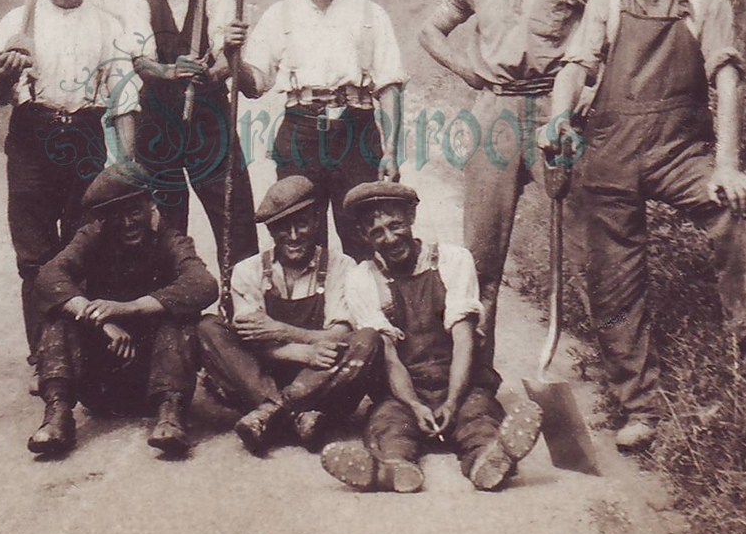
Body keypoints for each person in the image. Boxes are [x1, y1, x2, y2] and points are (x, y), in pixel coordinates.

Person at [540, 0, 746, 452]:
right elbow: (575, 66)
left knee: (737, 209)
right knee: (613, 276)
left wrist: (727, 165)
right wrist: (556, 119)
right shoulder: (605, 1)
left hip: (681, 151)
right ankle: (638, 406)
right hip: (611, 147)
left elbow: (725, 74)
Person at [419, 0, 607, 388]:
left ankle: (617, 376)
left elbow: (616, 10)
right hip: (495, 113)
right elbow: (430, 29)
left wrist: (593, 85)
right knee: (479, 259)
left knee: (593, 245)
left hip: (558, 109)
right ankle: (477, 379)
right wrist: (464, 70)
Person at [0, 0, 142, 382]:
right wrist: (2, 74)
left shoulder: (107, 25)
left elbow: (124, 97)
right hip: (33, 135)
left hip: (85, 137)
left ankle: (80, 352)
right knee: (34, 257)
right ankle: (44, 357)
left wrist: (127, 165)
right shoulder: (18, 21)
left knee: (81, 247)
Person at [319, 182, 542, 493]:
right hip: (404, 390)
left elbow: (464, 338)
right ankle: (392, 467)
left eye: (395, 225)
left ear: (411, 217)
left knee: (478, 418)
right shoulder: (361, 278)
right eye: (377, 232)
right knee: (388, 425)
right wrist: (413, 405)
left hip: (460, 384)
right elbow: (387, 354)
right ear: (363, 237)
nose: (390, 238)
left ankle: (487, 461)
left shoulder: (453, 260)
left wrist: (452, 401)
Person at [229, 0, 406, 261]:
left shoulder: (370, 14)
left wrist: (391, 150)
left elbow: (390, 87)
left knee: (363, 236)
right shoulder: (280, 14)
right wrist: (231, 53)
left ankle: (362, 314)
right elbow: (253, 84)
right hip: (300, 133)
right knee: (300, 236)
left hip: (356, 133)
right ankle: (306, 314)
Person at [27, 165, 218, 458]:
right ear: (103, 219)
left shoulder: (169, 238)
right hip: (101, 377)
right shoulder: (92, 236)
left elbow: (204, 284)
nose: (128, 223)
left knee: (180, 318)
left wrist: (131, 309)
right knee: (59, 314)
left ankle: (170, 416)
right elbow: (48, 276)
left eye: (134, 211)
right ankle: (58, 413)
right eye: (117, 215)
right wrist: (101, 321)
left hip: (155, 376)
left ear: (150, 205)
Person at [195, 175, 378, 456]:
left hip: (321, 380)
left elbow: (339, 336)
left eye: (302, 224)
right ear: (270, 230)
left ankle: (272, 412)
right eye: (282, 228)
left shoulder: (341, 266)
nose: (293, 236)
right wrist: (304, 353)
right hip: (262, 377)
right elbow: (252, 342)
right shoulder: (248, 271)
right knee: (209, 327)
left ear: (317, 221)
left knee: (367, 339)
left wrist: (280, 331)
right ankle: (298, 418)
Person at [130, 0, 259, 268]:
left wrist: (210, 70)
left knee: (234, 215)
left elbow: (224, 52)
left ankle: (240, 308)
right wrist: (171, 71)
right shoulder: (142, 2)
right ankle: (170, 309)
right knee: (164, 223)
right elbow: (141, 61)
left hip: (209, 118)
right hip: (159, 123)